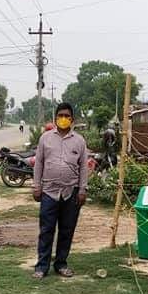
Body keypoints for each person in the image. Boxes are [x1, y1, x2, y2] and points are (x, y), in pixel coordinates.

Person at [31, 103, 89, 279]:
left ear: (72, 119)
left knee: (66, 230)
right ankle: (42, 267)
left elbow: (83, 167)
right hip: (49, 191)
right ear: (55, 118)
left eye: (67, 116)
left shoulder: (79, 141)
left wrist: (82, 189)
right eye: (60, 115)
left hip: (71, 193)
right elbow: (38, 163)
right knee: (46, 230)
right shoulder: (45, 138)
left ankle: (61, 264)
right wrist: (36, 186)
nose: (63, 118)